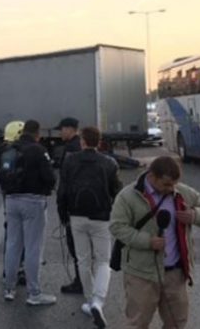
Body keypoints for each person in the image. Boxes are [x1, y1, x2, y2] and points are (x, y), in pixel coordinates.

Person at [110, 156, 200, 329]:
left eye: (174, 183)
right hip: (142, 274)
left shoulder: (181, 192)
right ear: (152, 176)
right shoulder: (128, 196)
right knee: (138, 323)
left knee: (177, 323)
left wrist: (195, 215)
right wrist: (147, 241)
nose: (171, 188)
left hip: (175, 273)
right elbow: (117, 227)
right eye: (166, 184)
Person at [57, 126, 122, 328]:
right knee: (103, 261)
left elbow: (62, 191)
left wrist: (63, 216)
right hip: (101, 217)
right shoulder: (109, 163)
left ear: (83, 141)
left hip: (76, 216)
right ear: (99, 141)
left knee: (83, 260)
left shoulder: (69, 160)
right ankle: (98, 301)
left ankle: (89, 300)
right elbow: (117, 191)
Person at [2, 119, 57, 305]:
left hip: (10, 200)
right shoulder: (39, 150)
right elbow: (49, 178)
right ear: (37, 133)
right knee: (33, 247)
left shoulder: (8, 148)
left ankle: (9, 288)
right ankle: (34, 293)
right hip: (33, 201)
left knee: (12, 245)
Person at [0, 120, 27, 286]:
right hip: (25, 196)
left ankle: (8, 270)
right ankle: (22, 269)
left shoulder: (2, 150)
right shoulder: (26, 150)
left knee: (11, 234)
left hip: (8, 196)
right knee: (26, 234)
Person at [54, 117, 85, 295]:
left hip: (74, 206)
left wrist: (62, 210)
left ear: (70, 129)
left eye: (62, 129)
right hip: (89, 206)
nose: (60, 133)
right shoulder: (81, 145)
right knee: (86, 248)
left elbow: (65, 183)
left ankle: (81, 282)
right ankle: (86, 280)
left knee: (76, 247)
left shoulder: (71, 151)